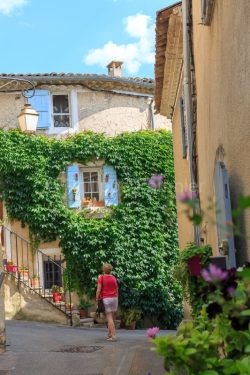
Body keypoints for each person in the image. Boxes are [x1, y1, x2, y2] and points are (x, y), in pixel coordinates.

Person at [96, 263, 118, 341]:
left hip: (106, 299)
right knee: (112, 318)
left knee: (109, 318)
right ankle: (109, 334)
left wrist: (97, 299)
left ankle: (114, 336)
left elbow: (98, 290)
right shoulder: (114, 278)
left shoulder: (101, 278)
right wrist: (116, 297)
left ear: (103, 270)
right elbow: (116, 289)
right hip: (114, 298)